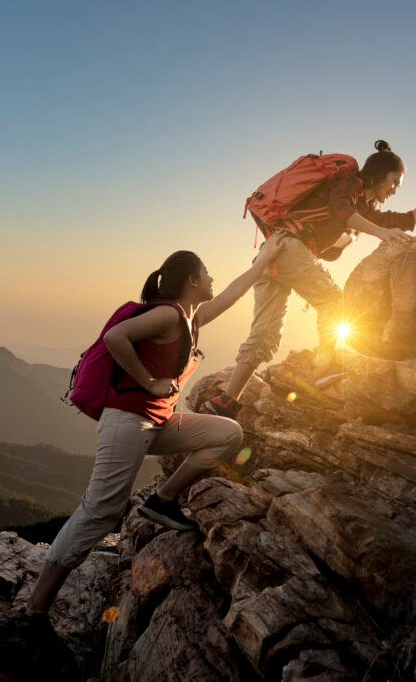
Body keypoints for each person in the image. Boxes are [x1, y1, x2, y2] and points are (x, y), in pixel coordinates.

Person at [28, 233, 286, 616]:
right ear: (192, 281)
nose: (212, 277)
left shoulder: (189, 318)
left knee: (227, 434)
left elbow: (231, 293)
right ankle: (36, 607)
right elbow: (116, 337)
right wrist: (149, 382)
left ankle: (161, 500)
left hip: (156, 422)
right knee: (100, 510)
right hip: (128, 422)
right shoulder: (167, 314)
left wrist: (265, 259)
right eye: (206, 272)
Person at [199, 140, 416, 420]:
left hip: (273, 251)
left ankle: (225, 401)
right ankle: (325, 371)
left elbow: (401, 220)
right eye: (394, 181)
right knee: (333, 301)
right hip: (290, 248)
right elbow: (343, 212)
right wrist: (379, 233)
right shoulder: (347, 181)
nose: (395, 189)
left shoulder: (360, 203)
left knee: (265, 333)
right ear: (381, 172)